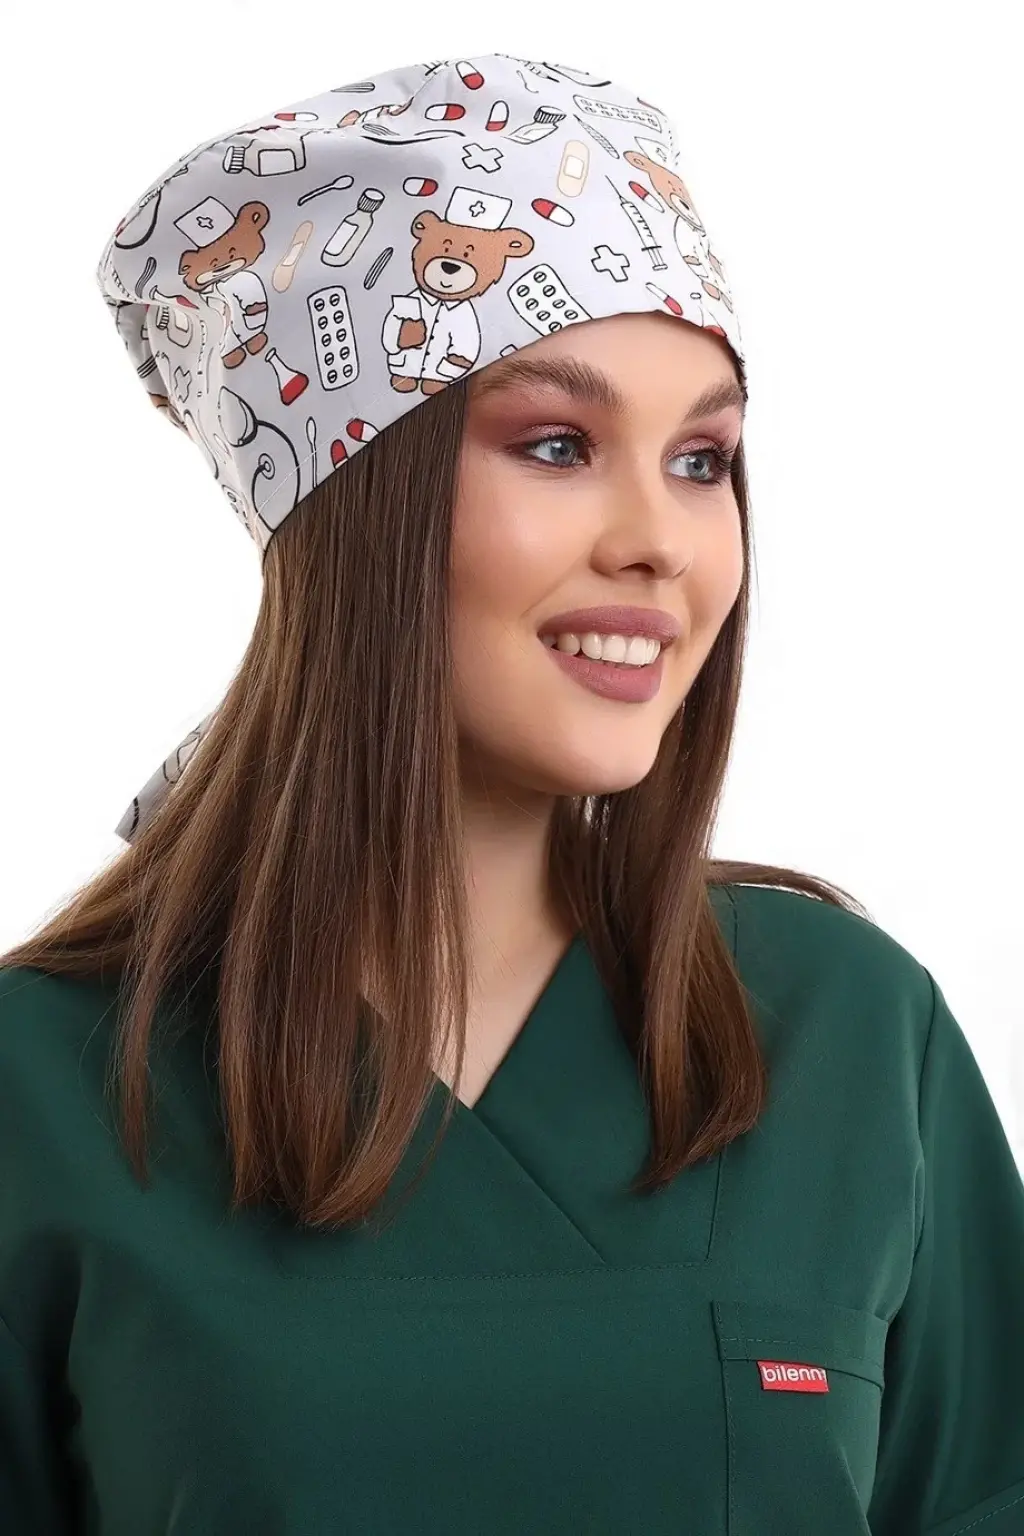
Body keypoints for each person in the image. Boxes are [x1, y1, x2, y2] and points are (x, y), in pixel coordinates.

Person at [1, 51, 1022, 1536]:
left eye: (703, 460)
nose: (661, 540)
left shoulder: (850, 1035)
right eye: (558, 445)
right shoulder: (46, 1089)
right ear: (351, 500)